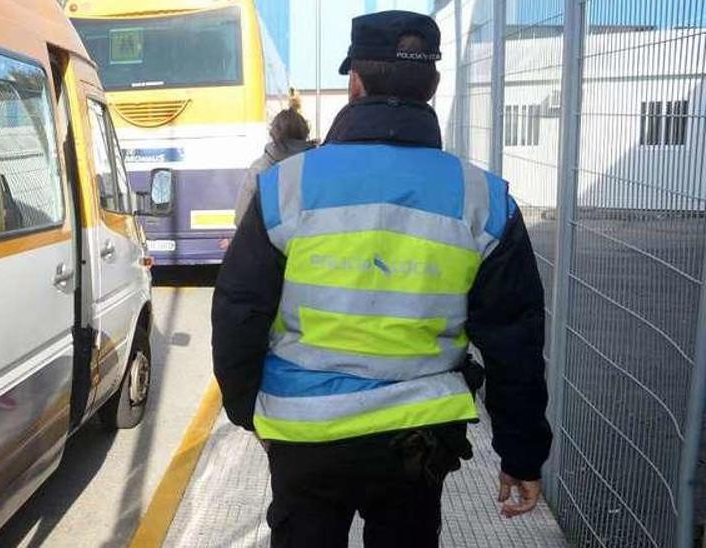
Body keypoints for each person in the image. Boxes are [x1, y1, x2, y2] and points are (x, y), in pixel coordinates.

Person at [211, 11, 552, 548]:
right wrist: (521, 453)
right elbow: (515, 339)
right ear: (433, 87)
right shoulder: (481, 198)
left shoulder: (286, 187)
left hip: (306, 434)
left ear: (355, 83)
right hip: (417, 442)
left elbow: (238, 312)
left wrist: (247, 411)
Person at [233, 99, 316, 225]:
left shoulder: (260, 169)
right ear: (305, 133)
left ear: (273, 133)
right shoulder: (316, 167)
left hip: (270, 242)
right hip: (311, 241)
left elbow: (241, 219)